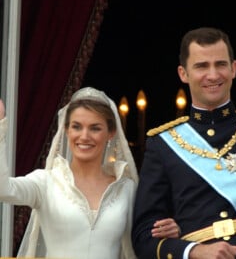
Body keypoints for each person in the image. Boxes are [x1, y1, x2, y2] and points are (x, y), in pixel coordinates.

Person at [132, 27, 236, 258]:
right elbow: (143, 237)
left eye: (220, 64)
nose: (213, 75)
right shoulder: (163, 145)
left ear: (234, 69)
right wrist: (193, 250)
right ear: (183, 73)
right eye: (201, 66)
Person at [0, 87, 180, 258]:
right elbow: (4, 190)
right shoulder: (45, 182)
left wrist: (171, 231)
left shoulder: (126, 187)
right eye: (77, 127)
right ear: (66, 130)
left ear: (111, 133)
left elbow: (144, 237)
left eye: (95, 128)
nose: (84, 136)